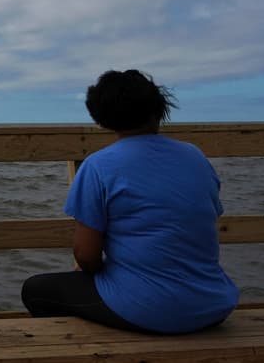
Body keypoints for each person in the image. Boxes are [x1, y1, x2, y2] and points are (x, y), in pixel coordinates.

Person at [21, 69, 238, 334]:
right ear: (159, 109)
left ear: (101, 118)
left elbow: (86, 256)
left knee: (36, 290)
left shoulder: (99, 165)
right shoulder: (195, 157)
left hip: (150, 311)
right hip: (213, 306)